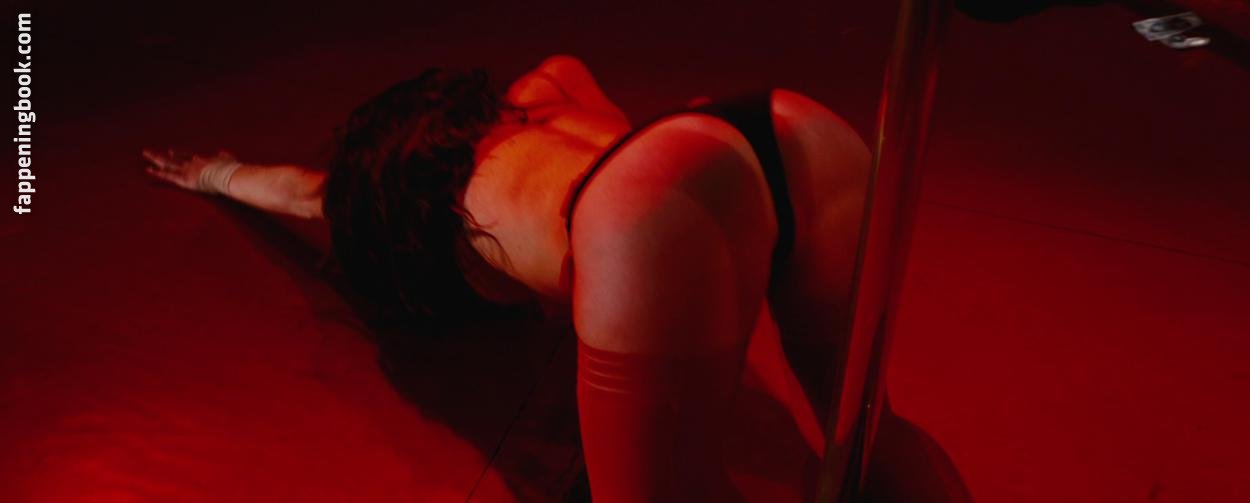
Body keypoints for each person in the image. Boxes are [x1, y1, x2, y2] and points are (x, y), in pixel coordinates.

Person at [143, 55, 870, 502]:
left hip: (643, 203)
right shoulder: (554, 84)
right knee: (866, 437)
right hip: (780, 126)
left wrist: (218, 174)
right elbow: (662, 166)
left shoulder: (429, 193)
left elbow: (309, 193)